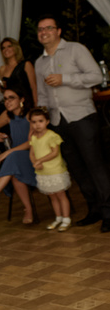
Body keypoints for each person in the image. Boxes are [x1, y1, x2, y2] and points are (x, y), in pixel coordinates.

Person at [34, 16, 110, 231]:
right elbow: (41, 94)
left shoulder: (76, 49)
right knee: (77, 169)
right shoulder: (39, 62)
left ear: (58, 31)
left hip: (82, 116)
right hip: (58, 122)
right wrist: (42, 122)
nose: (44, 32)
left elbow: (96, 76)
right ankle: (94, 209)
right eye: (40, 29)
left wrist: (65, 78)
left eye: (48, 28)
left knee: (95, 166)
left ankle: (108, 212)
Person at [0, 89, 37, 221]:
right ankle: (28, 209)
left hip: (33, 156)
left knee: (13, 159)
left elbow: (32, 142)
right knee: (15, 170)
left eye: (12, 98)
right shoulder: (7, 114)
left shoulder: (31, 114)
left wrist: (9, 152)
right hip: (17, 159)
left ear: (22, 99)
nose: (8, 101)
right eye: (5, 99)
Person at [28, 108, 72, 231]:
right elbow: (31, 153)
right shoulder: (33, 137)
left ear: (47, 121)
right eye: (34, 122)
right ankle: (58, 217)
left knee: (61, 195)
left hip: (55, 171)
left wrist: (40, 160)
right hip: (43, 172)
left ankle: (66, 218)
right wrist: (35, 163)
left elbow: (54, 152)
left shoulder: (52, 136)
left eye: (40, 121)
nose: (37, 125)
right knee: (52, 196)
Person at [0, 38, 37, 107]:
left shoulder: (26, 64)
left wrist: (36, 105)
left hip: (27, 104)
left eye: (9, 46)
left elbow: (34, 87)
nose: (6, 49)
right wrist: (1, 88)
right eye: (3, 48)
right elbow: (5, 91)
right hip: (11, 106)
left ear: (16, 48)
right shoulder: (2, 69)